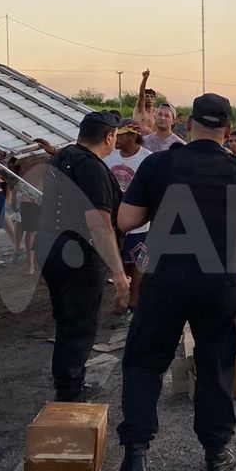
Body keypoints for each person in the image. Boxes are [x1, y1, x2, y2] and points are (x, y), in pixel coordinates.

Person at [108, 93, 236, 471]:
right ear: (229, 131)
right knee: (216, 361)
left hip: (166, 279)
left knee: (145, 361)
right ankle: (216, 454)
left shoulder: (159, 164)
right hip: (220, 283)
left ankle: (135, 452)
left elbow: (126, 219)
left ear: (187, 125)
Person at [36, 111, 128, 402]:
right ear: (109, 137)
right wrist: (118, 271)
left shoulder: (62, 157)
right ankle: (69, 392)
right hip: (76, 252)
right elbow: (99, 225)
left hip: (50, 246)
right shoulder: (93, 168)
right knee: (80, 323)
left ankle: (68, 381)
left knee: (66, 319)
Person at [104, 120, 153, 327]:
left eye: (122, 135)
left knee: (139, 265)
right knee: (118, 263)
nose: (117, 139)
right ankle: (121, 298)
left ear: (133, 136)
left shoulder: (147, 160)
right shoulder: (108, 158)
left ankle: (134, 301)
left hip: (140, 224)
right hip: (114, 222)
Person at [133, 70, 157, 136]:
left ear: (154, 100)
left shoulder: (156, 112)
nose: (149, 98)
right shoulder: (140, 109)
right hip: (139, 140)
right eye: (147, 96)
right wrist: (144, 79)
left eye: (152, 97)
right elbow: (141, 95)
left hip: (151, 141)